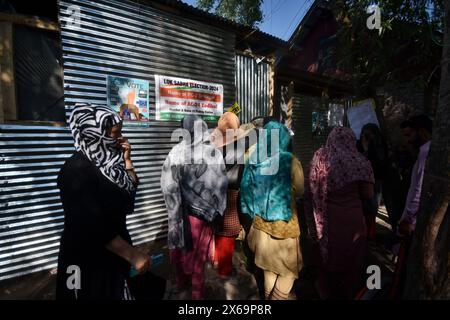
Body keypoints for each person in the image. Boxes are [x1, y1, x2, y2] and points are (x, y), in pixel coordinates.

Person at [56, 103, 150, 300]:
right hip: (88, 255)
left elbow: (130, 191)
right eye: (115, 134)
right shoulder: (75, 170)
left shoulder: (110, 163)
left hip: (116, 247)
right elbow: (91, 224)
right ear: (93, 133)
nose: (119, 139)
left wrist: (127, 160)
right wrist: (131, 254)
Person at [161, 115, 228, 300]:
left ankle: (182, 284)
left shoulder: (176, 151)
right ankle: (197, 295)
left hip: (180, 213)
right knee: (198, 255)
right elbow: (221, 184)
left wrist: (174, 207)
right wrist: (217, 209)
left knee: (179, 249)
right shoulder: (213, 153)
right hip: (202, 216)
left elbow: (167, 183)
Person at [304, 127, 375, 300]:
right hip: (353, 222)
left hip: (329, 222)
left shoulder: (319, 158)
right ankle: (350, 293)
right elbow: (368, 194)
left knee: (328, 264)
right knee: (353, 264)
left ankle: (328, 293)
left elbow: (309, 192)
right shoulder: (359, 160)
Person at [240, 121, 305, 300]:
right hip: (285, 228)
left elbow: (247, 189)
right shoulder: (290, 161)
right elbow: (300, 190)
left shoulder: (254, 159)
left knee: (269, 270)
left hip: (260, 224)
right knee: (289, 273)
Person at [388, 115, 432, 299]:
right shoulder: (427, 152)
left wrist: (406, 219)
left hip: (414, 221)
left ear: (421, 132)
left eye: (409, 135)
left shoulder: (425, 153)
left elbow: (417, 191)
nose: (407, 140)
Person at [210, 112, 254, 278]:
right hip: (229, 193)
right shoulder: (240, 144)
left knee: (217, 227)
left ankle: (216, 259)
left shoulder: (213, 144)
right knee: (228, 230)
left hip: (213, 192)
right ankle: (224, 269)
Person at [357, 123, 389, 240]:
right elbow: (358, 163)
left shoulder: (380, 147)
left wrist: (368, 150)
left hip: (375, 181)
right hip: (362, 182)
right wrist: (364, 149)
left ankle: (370, 233)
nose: (366, 138)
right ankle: (364, 232)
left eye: (369, 135)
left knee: (372, 207)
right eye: (364, 135)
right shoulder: (358, 145)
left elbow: (379, 165)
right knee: (363, 208)